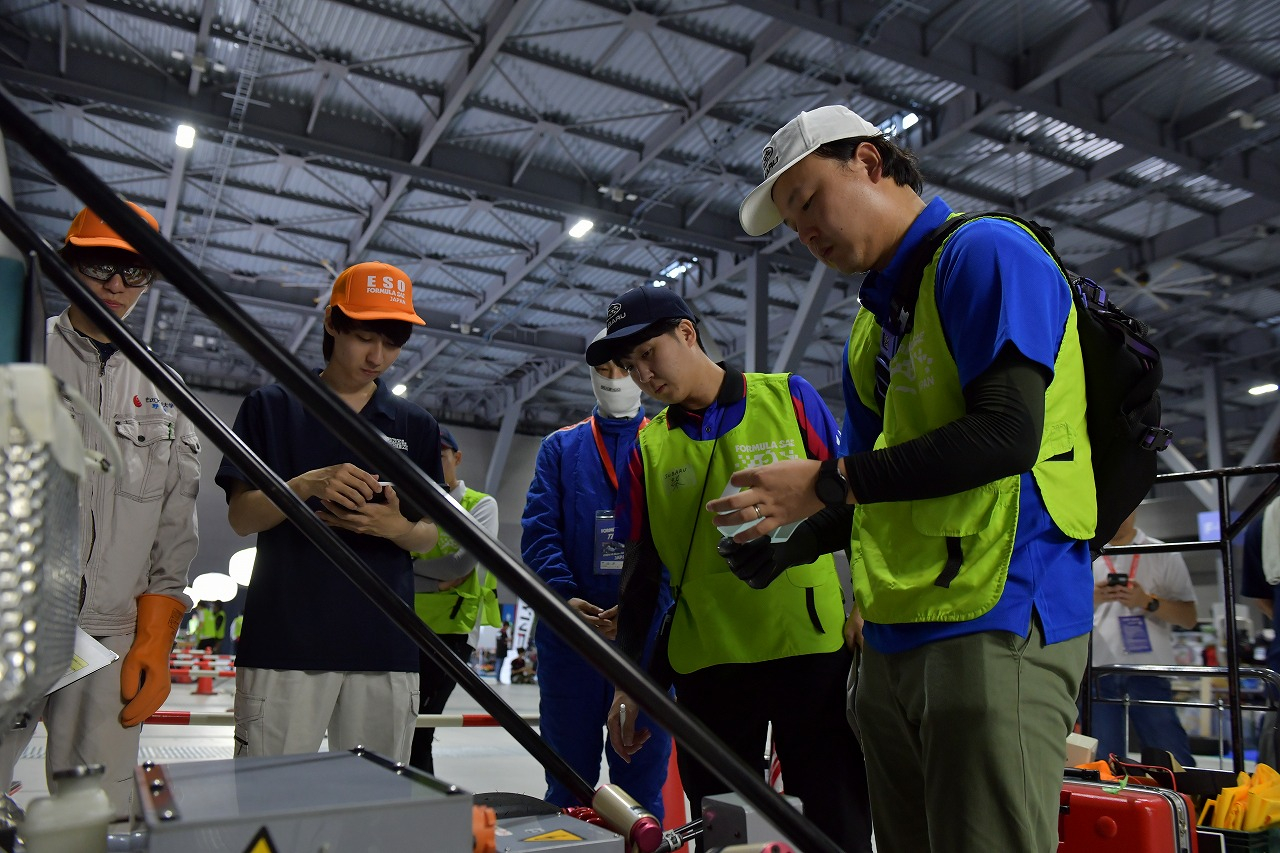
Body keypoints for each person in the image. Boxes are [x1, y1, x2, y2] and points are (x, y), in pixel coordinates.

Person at [709, 105, 1099, 852]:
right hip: (894, 637)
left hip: (998, 612)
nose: (805, 231)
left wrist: (824, 483)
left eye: (809, 201)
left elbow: (1006, 433)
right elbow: (875, 485)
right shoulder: (873, 327)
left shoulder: (986, 253)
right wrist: (790, 543)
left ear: (868, 161)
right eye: (791, 221)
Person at [594, 284, 873, 851]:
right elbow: (642, 575)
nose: (642, 376)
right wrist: (630, 681)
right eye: (630, 366)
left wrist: (867, 601)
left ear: (687, 333)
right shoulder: (647, 448)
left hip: (809, 651)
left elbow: (856, 506)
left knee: (836, 819)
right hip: (710, 666)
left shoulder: (789, 399)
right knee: (723, 830)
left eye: (648, 354)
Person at [0, 200, 200, 818]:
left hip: (109, 636)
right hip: (12, 621)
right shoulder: (19, 355)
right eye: (99, 266)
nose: (116, 284)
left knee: (98, 813)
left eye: (134, 271)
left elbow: (175, 522)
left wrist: (156, 636)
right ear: (67, 263)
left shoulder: (166, 390)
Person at [216, 261, 442, 763]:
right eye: (364, 338)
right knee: (270, 796)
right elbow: (241, 519)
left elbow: (429, 535)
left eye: (392, 344)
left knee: (376, 803)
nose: (377, 357)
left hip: (386, 643)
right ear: (332, 323)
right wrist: (302, 485)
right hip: (286, 643)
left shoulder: (415, 425)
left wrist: (395, 527)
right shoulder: (272, 407)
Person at [521, 357, 672, 818]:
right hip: (572, 637)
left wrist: (643, 609)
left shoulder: (668, 442)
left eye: (622, 367)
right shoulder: (561, 447)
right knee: (568, 781)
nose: (613, 379)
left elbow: (680, 540)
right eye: (602, 369)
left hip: (646, 643)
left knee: (641, 786)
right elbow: (539, 532)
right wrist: (565, 598)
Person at [408, 427, 499, 773]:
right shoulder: (410, 504)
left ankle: (423, 802)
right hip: (404, 624)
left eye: (441, 457)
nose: (432, 464)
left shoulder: (479, 505)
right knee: (398, 728)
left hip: (451, 632)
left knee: (420, 731)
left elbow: (460, 565)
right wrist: (436, 583)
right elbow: (391, 568)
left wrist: (408, 572)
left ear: (457, 458)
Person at [1090, 511, 1198, 765]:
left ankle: (1182, 793)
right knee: (1103, 764)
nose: (1119, 514)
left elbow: (1189, 617)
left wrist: (1147, 601)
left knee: (1170, 757)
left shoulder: (1162, 552)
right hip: (1098, 671)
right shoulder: (1085, 555)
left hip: (1150, 669)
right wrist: (1090, 598)